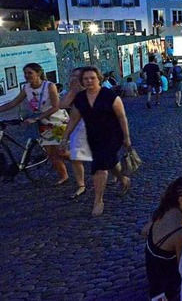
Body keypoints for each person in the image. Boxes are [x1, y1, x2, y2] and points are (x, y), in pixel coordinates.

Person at [61, 66, 132, 217]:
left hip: (113, 135)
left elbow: (121, 116)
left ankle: (98, 201)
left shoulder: (109, 95)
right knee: (110, 162)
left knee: (99, 166)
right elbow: (74, 119)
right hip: (94, 136)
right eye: (85, 79)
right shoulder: (80, 98)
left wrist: (126, 137)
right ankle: (122, 178)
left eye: (92, 78)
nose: (89, 81)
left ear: (99, 78)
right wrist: (65, 137)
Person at [0, 62, 69, 185]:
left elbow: (55, 107)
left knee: (61, 152)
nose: (26, 75)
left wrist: (36, 119)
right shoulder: (26, 88)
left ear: (38, 74)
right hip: (42, 122)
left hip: (56, 120)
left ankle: (78, 160)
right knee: (50, 153)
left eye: (29, 73)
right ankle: (64, 176)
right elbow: (13, 103)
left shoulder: (49, 86)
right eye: (25, 73)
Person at [144, 176, 182, 301]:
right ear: (181, 199)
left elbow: (144, 231)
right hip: (168, 294)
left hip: (155, 287)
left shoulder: (165, 210)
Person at [59, 67, 93, 199]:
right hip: (78, 127)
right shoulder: (73, 92)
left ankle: (118, 175)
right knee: (75, 156)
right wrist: (73, 90)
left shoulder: (94, 90)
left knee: (103, 157)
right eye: (72, 76)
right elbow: (62, 105)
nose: (73, 79)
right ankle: (81, 185)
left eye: (76, 77)